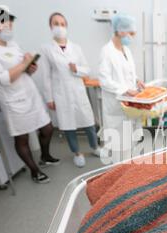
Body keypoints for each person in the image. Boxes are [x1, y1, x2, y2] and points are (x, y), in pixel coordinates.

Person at [0, 6, 59, 184]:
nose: (10, 26)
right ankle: (34, 171)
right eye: (5, 22)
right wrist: (25, 63)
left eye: (10, 22)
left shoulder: (13, 45)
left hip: (30, 94)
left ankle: (45, 156)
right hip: (13, 100)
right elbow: (3, 78)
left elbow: (22, 70)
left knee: (47, 128)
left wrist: (30, 68)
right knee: (22, 138)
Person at [40, 12, 102, 168]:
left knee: (88, 122)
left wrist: (77, 69)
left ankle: (95, 147)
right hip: (61, 94)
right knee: (68, 126)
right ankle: (77, 153)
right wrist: (49, 98)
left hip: (78, 90)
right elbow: (46, 75)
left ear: (66, 26)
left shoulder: (76, 48)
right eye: (56, 23)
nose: (59, 27)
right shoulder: (46, 49)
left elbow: (87, 69)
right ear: (50, 27)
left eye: (62, 23)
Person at [98, 13, 145, 162]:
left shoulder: (126, 50)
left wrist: (137, 80)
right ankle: (118, 173)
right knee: (119, 145)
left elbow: (129, 73)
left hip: (129, 104)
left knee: (130, 142)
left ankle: (127, 170)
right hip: (116, 106)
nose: (132, 37)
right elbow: (104, 80)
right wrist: (124, 90)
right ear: (120, 31)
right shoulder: (107, 51)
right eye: (131, 33)